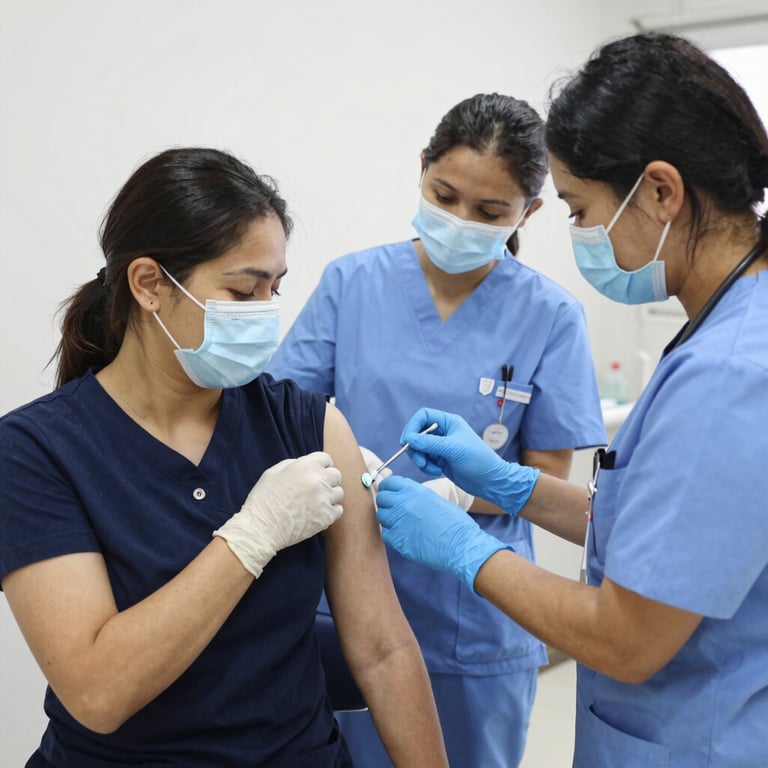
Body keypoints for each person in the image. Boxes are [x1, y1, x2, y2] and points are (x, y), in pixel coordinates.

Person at [373, 33, 768, 768]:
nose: (581, 234)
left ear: (660, 191)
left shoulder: (731, 375)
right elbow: (676, 535)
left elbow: (627, 635)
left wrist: (464, 548)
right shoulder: (734, 323)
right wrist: (512, 487)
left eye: (580, 210)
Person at [0, 147, 449, 768]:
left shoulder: (308, 424)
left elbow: (382, 647)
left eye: (275, 288)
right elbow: (98, 693)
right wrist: (250, 537)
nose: (266, 313)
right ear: (150, 284)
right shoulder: (35, 452)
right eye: (243, 290)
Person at [268, 93, 606, 767]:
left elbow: (549, 479)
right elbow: (284, 418)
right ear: (421, 170)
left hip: (475, 617)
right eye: (444, 195)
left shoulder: (550, 315)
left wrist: (451, 498)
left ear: (529, 212)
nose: (459, 221)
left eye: (488, 213)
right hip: (347, 592)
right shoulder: (352, 283)